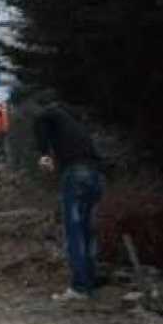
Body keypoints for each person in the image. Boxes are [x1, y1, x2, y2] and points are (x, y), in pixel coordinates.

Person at [35, 104, 104, 301]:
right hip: (96, 175)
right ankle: (90, 281)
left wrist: (44, 154)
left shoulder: (45, 116)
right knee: (88, 231)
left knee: (75, 232)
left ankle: (80, 287)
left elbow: (41, 124)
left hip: (76, 175)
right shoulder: (75, 126)